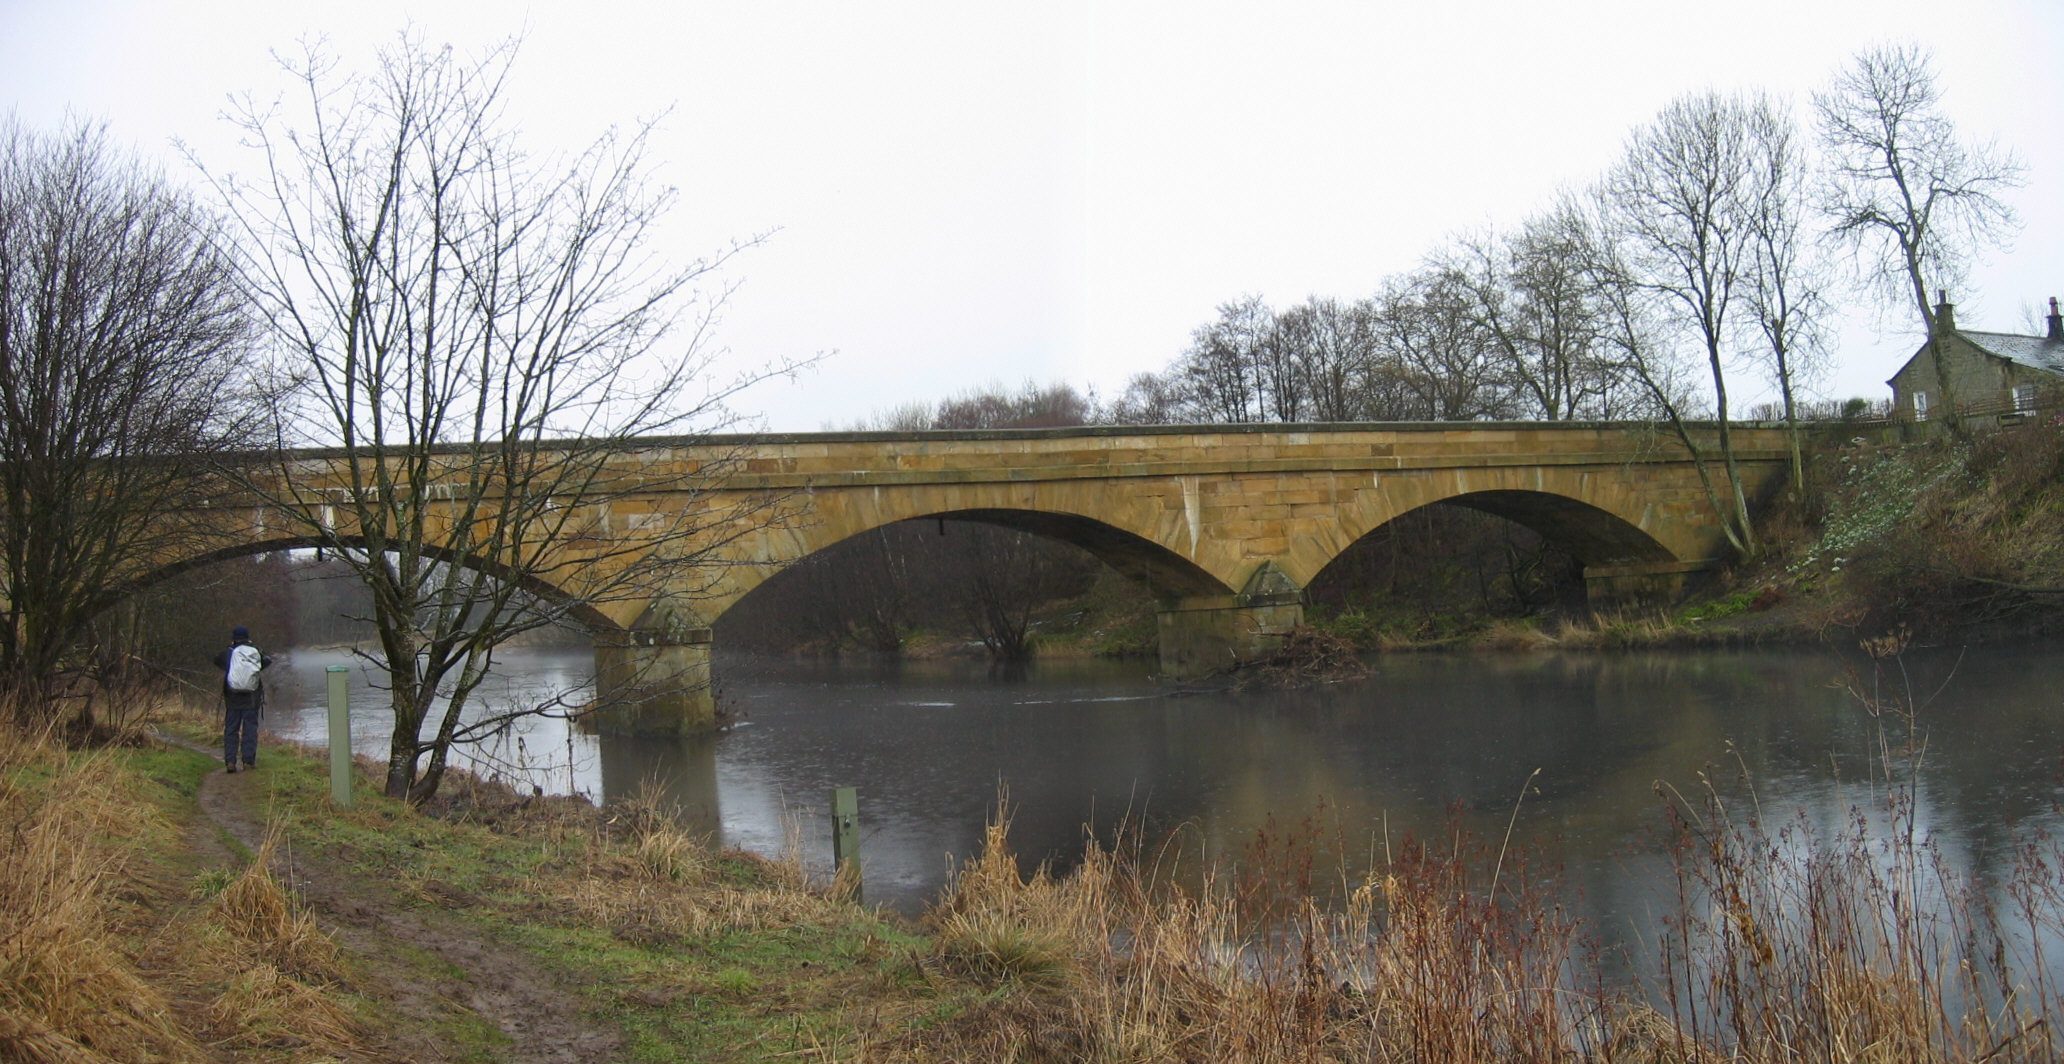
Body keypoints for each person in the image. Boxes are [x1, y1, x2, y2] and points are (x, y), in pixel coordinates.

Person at [214, 625, 271, 773]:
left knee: (231, 729)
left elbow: (216, 660)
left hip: (232, 698)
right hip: (251, 698)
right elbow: (267, 661)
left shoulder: (229, 652)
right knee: (250, 729)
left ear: (233, 638)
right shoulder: (255, 651)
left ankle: (231, 762)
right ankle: (248, 761)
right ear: (247, 637)